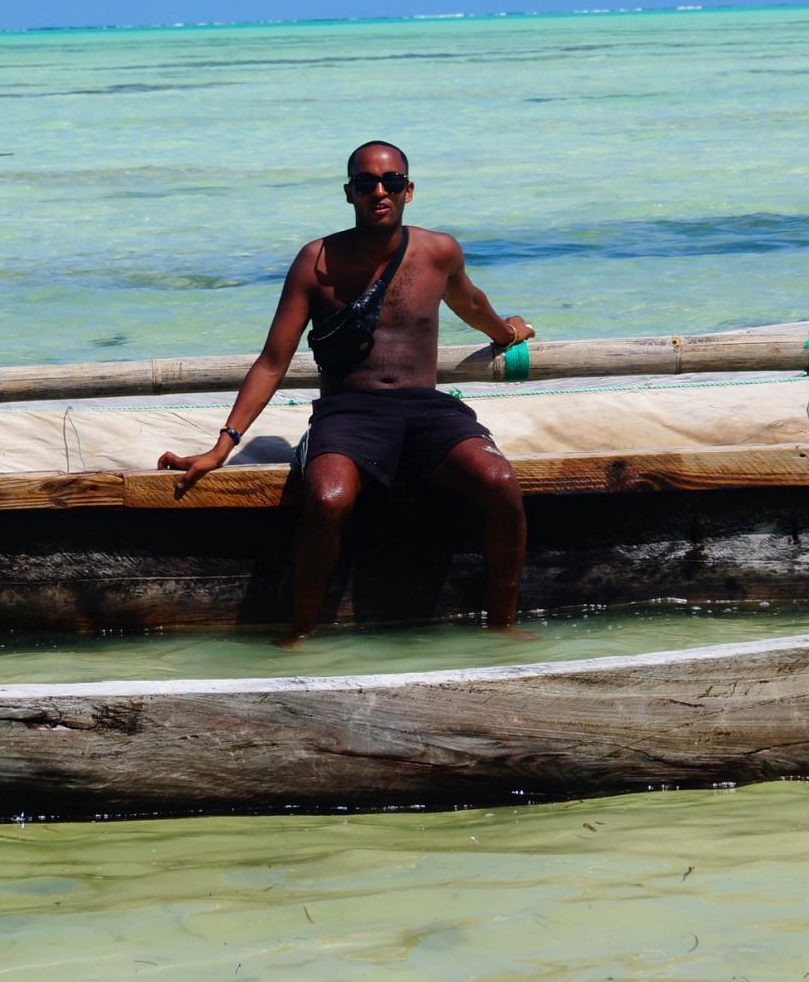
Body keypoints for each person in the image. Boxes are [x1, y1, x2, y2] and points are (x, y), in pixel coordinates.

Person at [157, 140, 536, 646]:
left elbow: (472, 305)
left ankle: (503, 632)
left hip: (425, 409)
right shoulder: (317, 262)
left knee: (501, 481)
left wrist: (508, 334)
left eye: (391, 182)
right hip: (349, 410)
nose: (379, 191)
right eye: (365, 184)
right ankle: (298, 637)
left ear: (409, 190)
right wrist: (222, 447)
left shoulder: (438, 252)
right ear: (349, 193)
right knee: (329, 497)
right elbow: (273, 361)